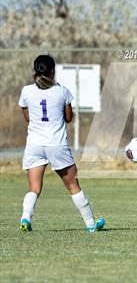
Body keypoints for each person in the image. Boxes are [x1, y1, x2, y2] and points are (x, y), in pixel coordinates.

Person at [18, 54, 105, 233]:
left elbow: (27, 117)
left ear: (35, 72)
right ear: (52, 71)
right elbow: (68, 118)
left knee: (34, 187)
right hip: (56, 144)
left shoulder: (26, 91)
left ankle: (25, 218)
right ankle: (90, 224)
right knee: (73, 184)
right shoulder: (62, 91)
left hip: (34, 145)